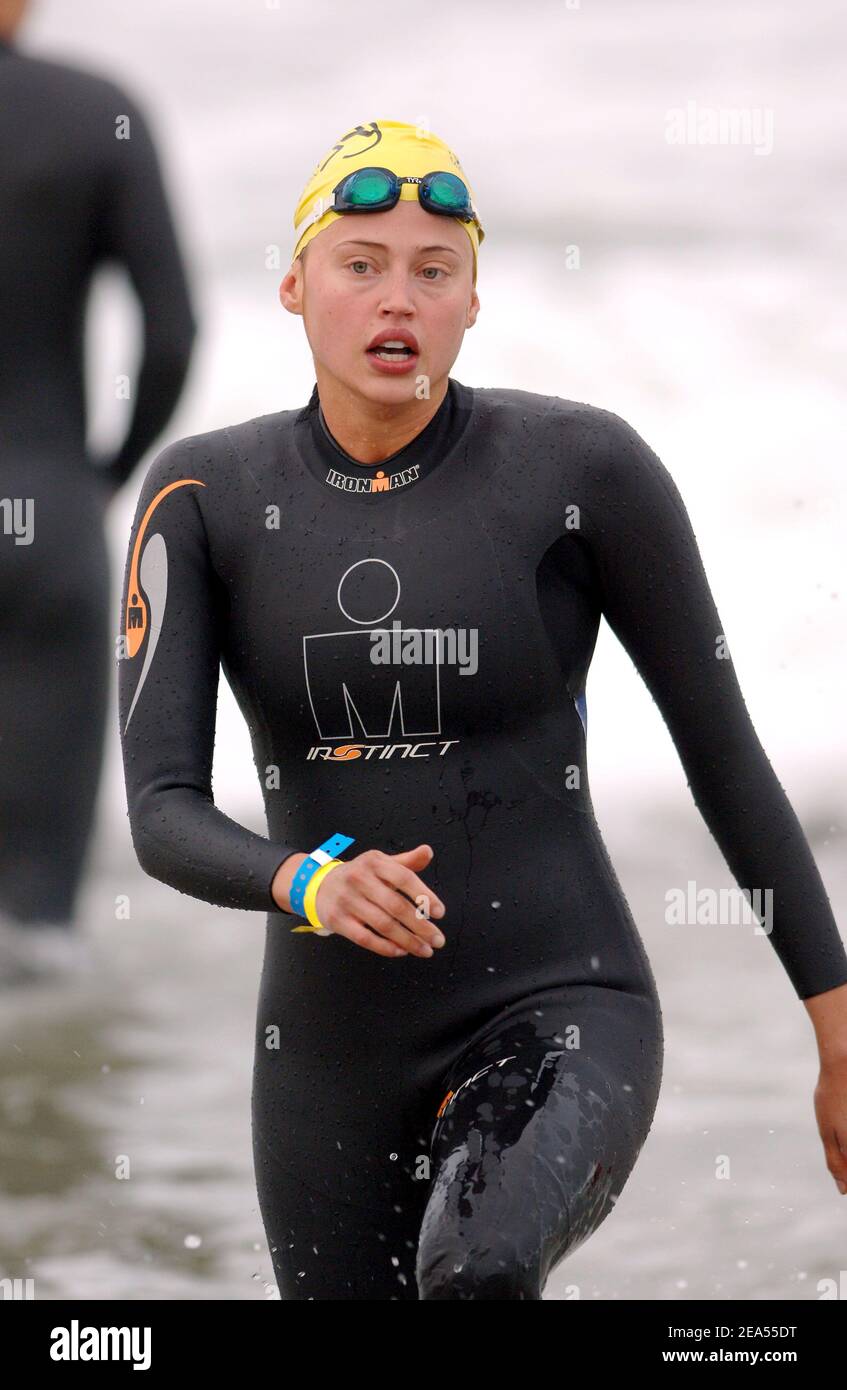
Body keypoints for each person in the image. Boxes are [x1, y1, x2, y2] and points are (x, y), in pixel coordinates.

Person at [118, 118, 847, 1301]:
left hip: (562, 1006)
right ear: (296, 286)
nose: (395, 297)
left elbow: (724, 758)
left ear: (472, 301)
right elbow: (159, 809)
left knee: (478, 1269)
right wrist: (305, 879)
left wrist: (835, 1022)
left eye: (433, 269)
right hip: (324, 1060)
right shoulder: (203, 497)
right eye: (360, 264)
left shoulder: (581, 471)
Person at [0, 0, 197, 979]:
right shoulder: (95, 113)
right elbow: (172, 333)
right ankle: (44, 1127)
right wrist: (103, 478)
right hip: (50, 516)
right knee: (37, 927)